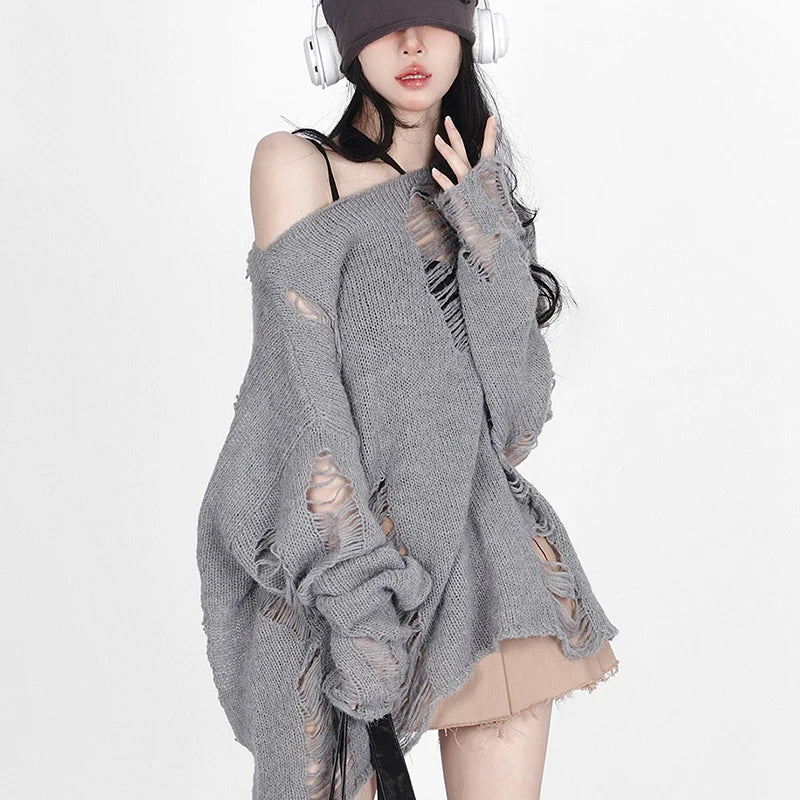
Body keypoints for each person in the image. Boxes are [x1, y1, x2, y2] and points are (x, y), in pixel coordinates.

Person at [197, 3, 620, 799]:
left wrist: (487, 233)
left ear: (474, 28)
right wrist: (360, 604)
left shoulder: (479, 193)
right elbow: (300, 398)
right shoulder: (299, 167)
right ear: (338, 41)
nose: (413, 42)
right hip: (348, 579)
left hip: (489, 574)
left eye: (433, 13)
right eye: (383, 14)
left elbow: (513, 426)